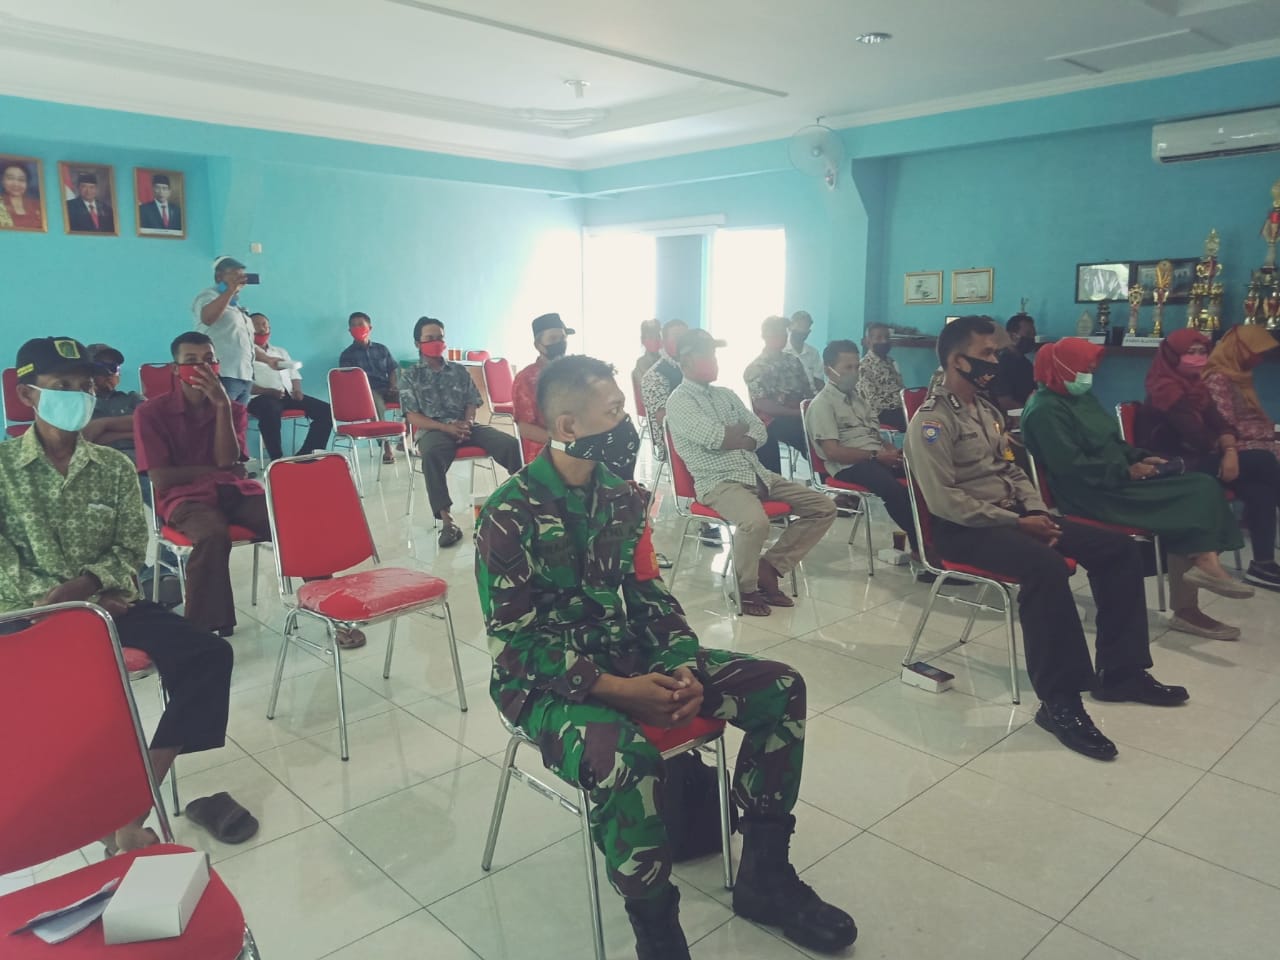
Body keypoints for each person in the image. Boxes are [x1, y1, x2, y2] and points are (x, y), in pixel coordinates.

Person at [475, 355, 857, 959]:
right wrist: (614, 688)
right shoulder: (508, 512)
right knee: (625, 757)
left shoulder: (625, 499)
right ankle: (657, 931)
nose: (627, 424)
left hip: (631, 654)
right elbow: (513, 643)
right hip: (546, 686)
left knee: (780, 687)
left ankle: (765, 876)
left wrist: (681, 664)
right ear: (569, 426)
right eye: (614, 412)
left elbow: (650, 597)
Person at [1, 337, 257, 853]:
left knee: (209, 655)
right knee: (68, 694)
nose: (78, 396)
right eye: (61, 386)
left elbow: (129, 548)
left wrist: (91, 586)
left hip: (107, 602)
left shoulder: (112, 468)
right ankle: (76, 812)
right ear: (28, 396)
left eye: (85, 386)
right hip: (24, 613)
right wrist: (67, 604)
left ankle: (133, 808)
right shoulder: (4, 470)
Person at [905, 317, 1189, 761]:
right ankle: (1060, 703)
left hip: (1015, 518)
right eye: (987, 353)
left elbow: (1012, 469)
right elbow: (944, 502)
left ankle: (1121, 673)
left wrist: (1035, 510)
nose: (997, 361)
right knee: (1046, 568)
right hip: (965, 530)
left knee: (1117, 549)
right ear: (957, 360)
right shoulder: (932, 422)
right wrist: (1017, 523)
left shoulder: (986, 410)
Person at [1022, 338, 1252, 639]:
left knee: (1201, 485)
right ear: (1061, 367)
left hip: (1116, 479)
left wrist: (1140, 457)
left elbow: (1113, 443)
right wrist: (1126, 471)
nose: (1089, 374)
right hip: (1091, 492)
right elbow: (1071, 466)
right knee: (1194, 496)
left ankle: (1200, 574)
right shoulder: (1044, 410)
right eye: (1084, 368)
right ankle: (1194, 591)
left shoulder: (1080, 397)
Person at [667, 330, 836, 617]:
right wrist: (735, 434)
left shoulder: (726, 394)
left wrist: (739, 436)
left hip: (757, 473)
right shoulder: (679, 401)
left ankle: (768, 567)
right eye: (706, 355)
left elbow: (759, 429)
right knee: (755, 523)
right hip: (719, 481)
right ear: (685, 362)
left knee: (824, 507)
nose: (713, 360)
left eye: (713, 354)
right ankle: (745, 588)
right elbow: (716, 437)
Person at [132, 332, 271, 638]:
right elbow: (161, 478)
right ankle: (202, 630)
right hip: (183, 500)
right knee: (211, 534)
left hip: (233, 492)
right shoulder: (151, 413)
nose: (202, 368)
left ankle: (322, 602)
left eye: (209, 360)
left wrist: (221, 406)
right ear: (175, 368)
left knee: (285, 518)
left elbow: (228, 459)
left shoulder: (233, 409)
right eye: (191, 361)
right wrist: (217, 469)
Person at [1141, 328, 1280, 597]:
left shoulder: (1195, 386)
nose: (1197, 357)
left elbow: (1222, 424)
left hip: (1200, 459)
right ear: (1172, 356)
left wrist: (1229, 449)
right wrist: (1228, 449)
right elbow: (1198, 436)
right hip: (1170, 466)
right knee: (1264, 460)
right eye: (1189, 352)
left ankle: (1262, 565)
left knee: (1260, 488)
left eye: (1202, 351)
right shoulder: (1165, 389)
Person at [400, 316, 521, 548]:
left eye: (440, 337)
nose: (436, 342)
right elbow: (412, 416)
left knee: (510, 445)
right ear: (417, 343)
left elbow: (471, 402)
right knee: (432, 456)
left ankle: (525, 503)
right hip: (434, 430)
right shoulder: (410, 376)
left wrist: (467, 423)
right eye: (430, 338)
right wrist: (445, 427)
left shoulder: (458, 370)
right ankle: (448, 522)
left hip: (466, 427)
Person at [805, 339, 918, 554]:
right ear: (828, 370)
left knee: (923, 477)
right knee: (893, 489)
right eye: (847, 367)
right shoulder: (822, 404)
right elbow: (833, 452)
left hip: (875, 457)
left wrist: (890, 450)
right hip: (848, 466)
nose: (854, 373)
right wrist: (876, 456)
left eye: (856, 367)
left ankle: (936, 539)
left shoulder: (858, 399)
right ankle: (923, 546)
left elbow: (874, 435)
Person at [246, 312, 334, 461]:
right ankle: (277, 459)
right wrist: (268, 391)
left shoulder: (280, 352)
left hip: (287, 394)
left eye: (264, 325)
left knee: (326, 411)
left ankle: (308, 454)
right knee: (270, 410)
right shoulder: (246, 353)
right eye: (256, 325)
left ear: (269, 328)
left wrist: (297, 390)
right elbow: (244, 385)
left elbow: (294, 374)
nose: (261, 328)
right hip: (259, 397)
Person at [744, 315, 815, 474]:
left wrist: (812, 409)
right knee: (804, 435)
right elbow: (763, 404)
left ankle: (834, 478)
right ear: (764, 336)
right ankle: (777, 482)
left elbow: (808, 391)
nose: (781, 336)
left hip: (800, 414)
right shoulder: (755, 368)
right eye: (775, 332)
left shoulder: (793, 361)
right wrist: (796, 413)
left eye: (783, 332)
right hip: (774, 419)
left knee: (826, 429)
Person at [192, 256, 267, 405]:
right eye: (235, 275)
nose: (240, 280)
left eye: (242, 276)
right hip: (222, 374)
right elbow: (207, 318)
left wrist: (269, 360)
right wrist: (230, 291)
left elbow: (242, 343)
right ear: (219, 277)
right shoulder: (208, 296)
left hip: (244, 376)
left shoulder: (236, 306)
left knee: (238, 419)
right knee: (219, 417)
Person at [512, 312, 573, 466]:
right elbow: (525, 429)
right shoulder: (526, 378)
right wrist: (563, 444)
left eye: (562, 338)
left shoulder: (576, 372)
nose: (559, 343)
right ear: (538, 345)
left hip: (579, 441)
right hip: (546, 448)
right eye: (553, 339)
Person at [340, 311, 400, 464]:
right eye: (353, 326)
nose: (357, 328)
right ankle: (386, 447)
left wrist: (393, 385)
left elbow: (392, 369)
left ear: (370, 328)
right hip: (366, 392)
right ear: (349, 331)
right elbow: (349, 381)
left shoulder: (382, 349)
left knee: (412, 398)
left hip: (386, 388)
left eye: (360, 324)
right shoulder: (347, 355)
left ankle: (405, 439)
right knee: (374, 404)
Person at [82, 343, 144, 461]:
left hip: (140, 462)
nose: (109, 373)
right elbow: (82, 438)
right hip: (99, 463)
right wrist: (134, 434)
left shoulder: (132, 398)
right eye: (101, 367)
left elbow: (153, 423)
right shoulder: (80, 404)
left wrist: (103, 424)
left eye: (114, 367)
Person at [856, 322, 906, 431]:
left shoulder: (891, 362)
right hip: (878, 415)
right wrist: (901, 402)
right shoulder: (864, 367)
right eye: (878, 338)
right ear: (868, 342)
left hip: (898, 409)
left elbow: (900, 388)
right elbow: (872, 401)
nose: (884, 341)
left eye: (887, 337)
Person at [990, 312, 1038, 412]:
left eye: (1033, 335)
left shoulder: (1025, 363)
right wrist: (1031, 413)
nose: (1031, 339)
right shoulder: (1002, 364)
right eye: (1028, 334)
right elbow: (1005, 403)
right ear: (1012, 336)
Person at [785, 310, 824, 391]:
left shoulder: (813, 353)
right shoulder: (782, 350)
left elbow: (819, 380)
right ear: (790, 327)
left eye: (805, 328)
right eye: (799, 326)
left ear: (809, 332)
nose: (802, 331)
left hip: (811, 395)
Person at [0, 160, 43, 231]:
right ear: (2, 180)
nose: (16, 184)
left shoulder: (38, 205)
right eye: (10, 178)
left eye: (21, 179)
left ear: (27, 183)